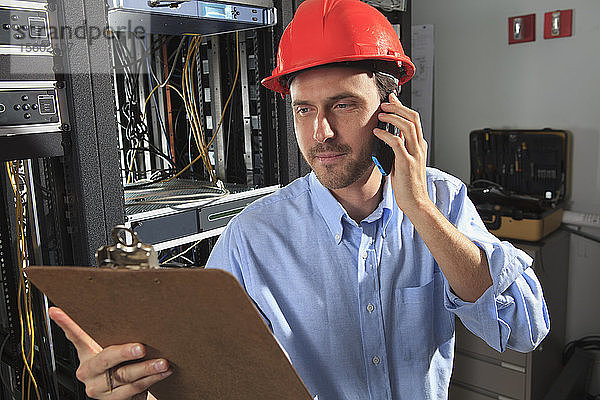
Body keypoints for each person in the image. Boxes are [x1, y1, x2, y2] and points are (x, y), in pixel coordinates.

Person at [49, 0, 550, 398]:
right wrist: (138, 386)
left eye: (344, 105)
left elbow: (524, 329)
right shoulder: (253, 238)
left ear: (391, 111)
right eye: (303, 110)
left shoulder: (441, 198)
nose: (321, 132)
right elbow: (208, 376)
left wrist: (420, 212)